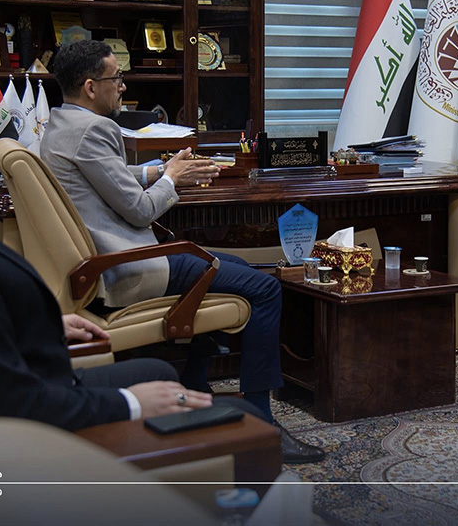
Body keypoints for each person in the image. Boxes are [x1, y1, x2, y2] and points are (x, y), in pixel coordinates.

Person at [0, 71, 260, 432]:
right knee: (242, 418)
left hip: (12, 373)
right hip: (29, 424)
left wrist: (26, 323)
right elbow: (7, 403)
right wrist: (131, 405)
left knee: (158, 371)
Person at [41, 40, 323, 463]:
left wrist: (161, 169)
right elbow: (139, 211)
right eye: (116, 78)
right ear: (90, 86)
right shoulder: (95, 130)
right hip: (129, 267)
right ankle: (264, 420)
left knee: (229, 266)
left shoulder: (61, 125)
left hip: (105, 263)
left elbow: (107, 176)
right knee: (265, 288)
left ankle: (196, 387)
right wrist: (171, 180)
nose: (122, 86)